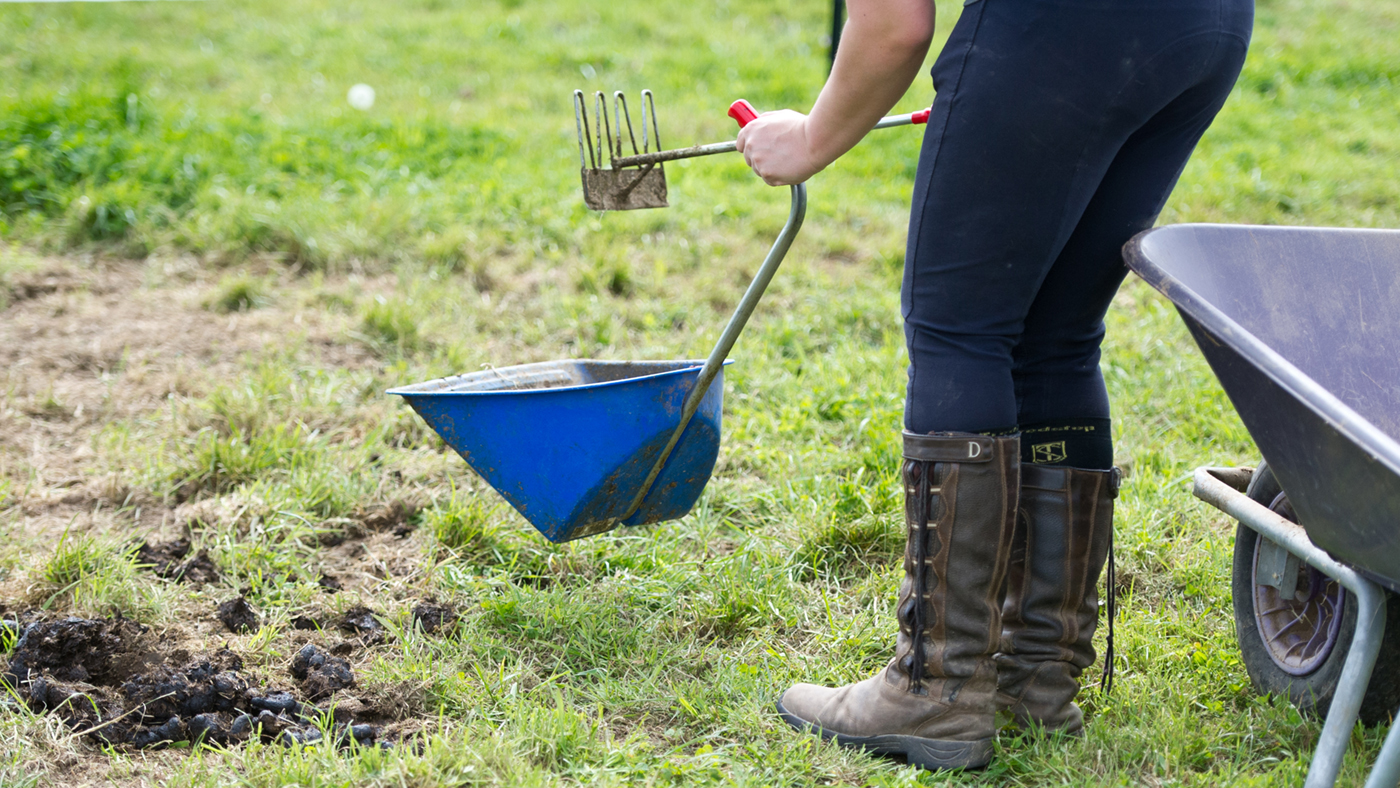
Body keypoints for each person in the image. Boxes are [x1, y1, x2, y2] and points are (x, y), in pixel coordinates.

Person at [735, 0, 1252, 772]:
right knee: (1056, 335)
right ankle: (1034, 677)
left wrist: (811, 136)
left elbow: (895, 22)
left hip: (1064, 28)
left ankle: (935, 688)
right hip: (1202, 26)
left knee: (959, 328)